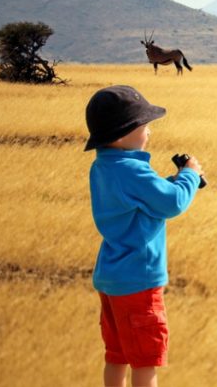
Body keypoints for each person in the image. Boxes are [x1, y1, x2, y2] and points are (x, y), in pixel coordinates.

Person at [85, 85, 203, 387]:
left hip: (111, 279)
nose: (148, 132)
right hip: (139, 281)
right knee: (146, 362)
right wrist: (189, 174)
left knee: (117, 356)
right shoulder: (133, 171)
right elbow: (173, 203)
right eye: (144, 126)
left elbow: (140, 199)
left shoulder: (104, 166)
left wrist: (169, 181)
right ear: (123, 134)